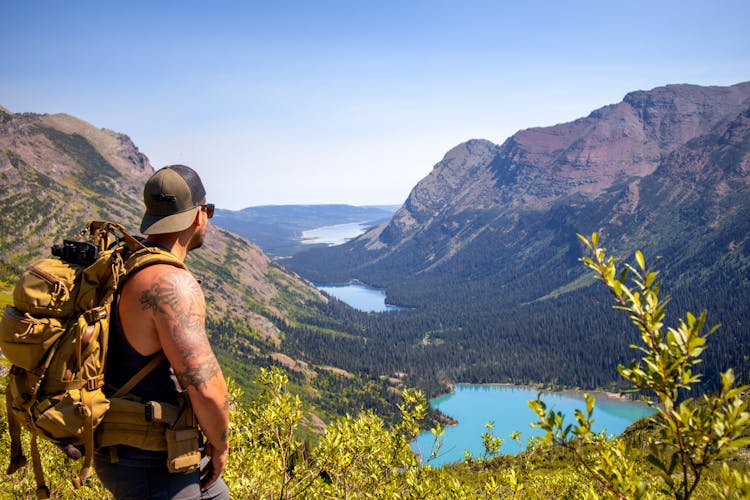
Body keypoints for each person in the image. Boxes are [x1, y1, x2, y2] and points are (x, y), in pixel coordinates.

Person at [95, 165, 230, 499]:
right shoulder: (170, 283)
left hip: (119, 447)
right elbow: (206, 388)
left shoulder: (123, 260)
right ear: (199, 215)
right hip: (151, 460)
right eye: (208, 210)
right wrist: (220, 444)